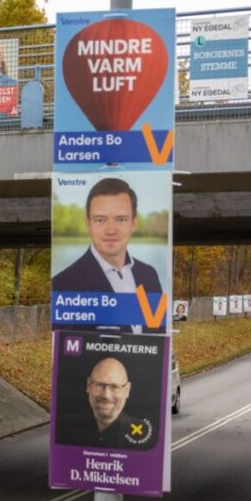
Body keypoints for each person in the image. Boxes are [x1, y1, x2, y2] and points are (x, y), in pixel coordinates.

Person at [51, 177, 165, 333]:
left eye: (121, 219)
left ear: (133, 224)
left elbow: (158, 338)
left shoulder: (149, 275)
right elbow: (64, 352)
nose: (111, 230)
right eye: (100, 220)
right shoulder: (63, 284)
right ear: (88, 224)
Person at [61, 357, 156, 450]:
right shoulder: (65, 430)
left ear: (127, 390)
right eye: (98, 385)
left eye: (114, 387)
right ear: (88, 385)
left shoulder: (148, 441)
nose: (106, 395)